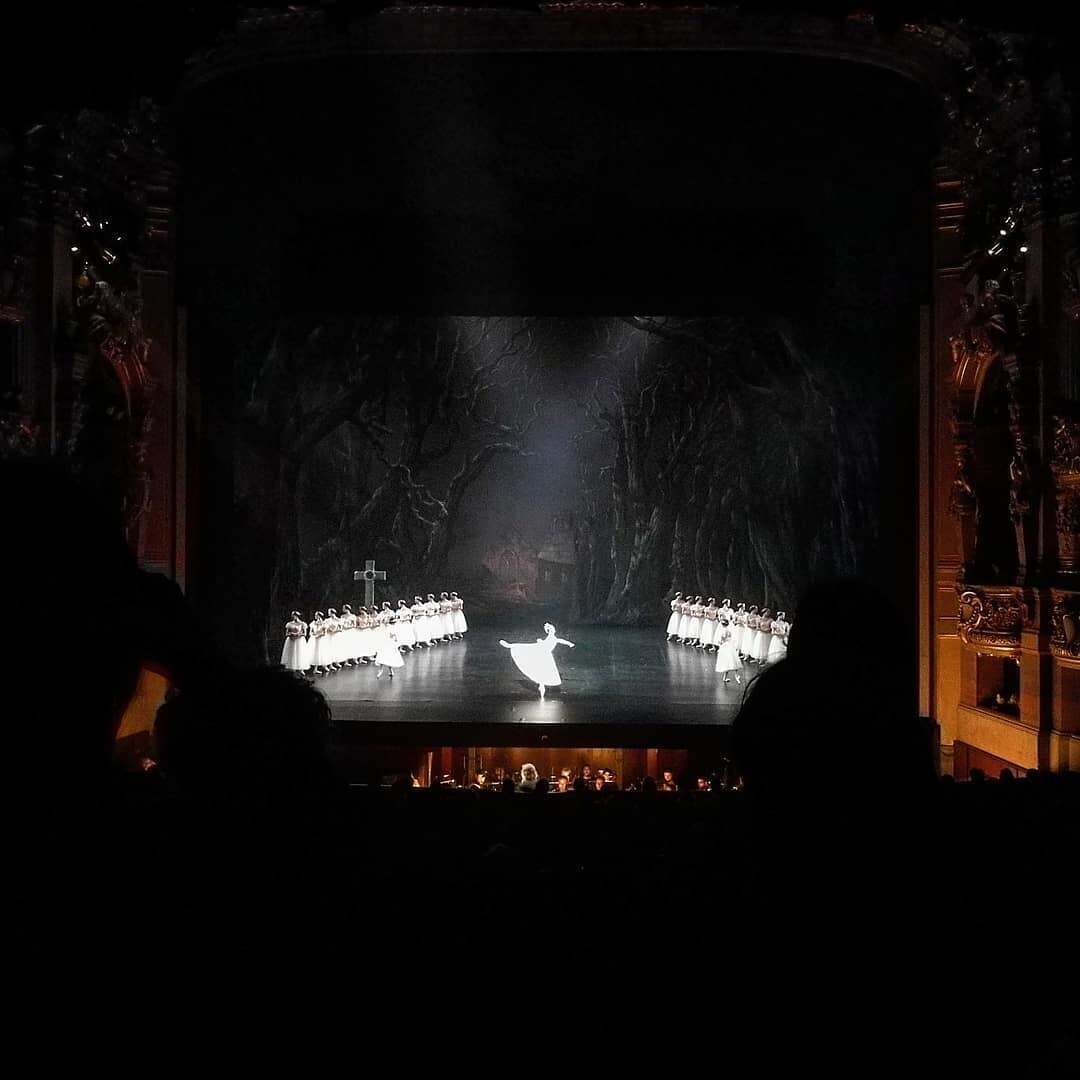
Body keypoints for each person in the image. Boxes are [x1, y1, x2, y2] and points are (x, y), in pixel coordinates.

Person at [499, 622, 575, 698]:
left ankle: (542, 691)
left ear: (554, 631)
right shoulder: (549, 638)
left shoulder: (555, 639)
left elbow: (561, 641)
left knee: (543, 674)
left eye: (552, 629)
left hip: (545, 655)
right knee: (525, 647)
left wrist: (569, 643)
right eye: (550, 630)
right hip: (542, 652)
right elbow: (547, 644)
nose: (551, 631)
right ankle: (510, 645)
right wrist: (541, 641)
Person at [714, 617, 743, 684]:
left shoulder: (723, 631)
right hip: (729, 645)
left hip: (725, 646)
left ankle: (736, 675)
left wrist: (720, 642)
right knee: (731, 661)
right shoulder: (729, 630)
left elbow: (721, 640)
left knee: (728, 661)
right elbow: (729, 638)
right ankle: (726, 677)